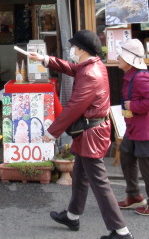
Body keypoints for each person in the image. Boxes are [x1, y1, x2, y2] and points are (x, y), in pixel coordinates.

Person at [29, 30, 134, 239]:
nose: (72, 50)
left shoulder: (90, 74)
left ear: (82, 50)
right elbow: (72, 68)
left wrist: (51, 133)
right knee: (80, 176)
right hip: (91, 131)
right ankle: (72, 216)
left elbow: (74, 108)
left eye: (74, 47)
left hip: (91, 134)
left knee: (99, 182)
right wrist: (45, 59)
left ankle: (121, 231)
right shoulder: (93, 66)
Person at [116, 38, 149, 216]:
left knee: (148, 167)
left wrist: (133, 107)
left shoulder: (140, 77)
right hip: (136, 128)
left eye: (121, 56)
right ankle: (134, 196)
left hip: (147, 130)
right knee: (126, 157)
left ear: (130, 60)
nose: (117, 58)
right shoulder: (133, 76)